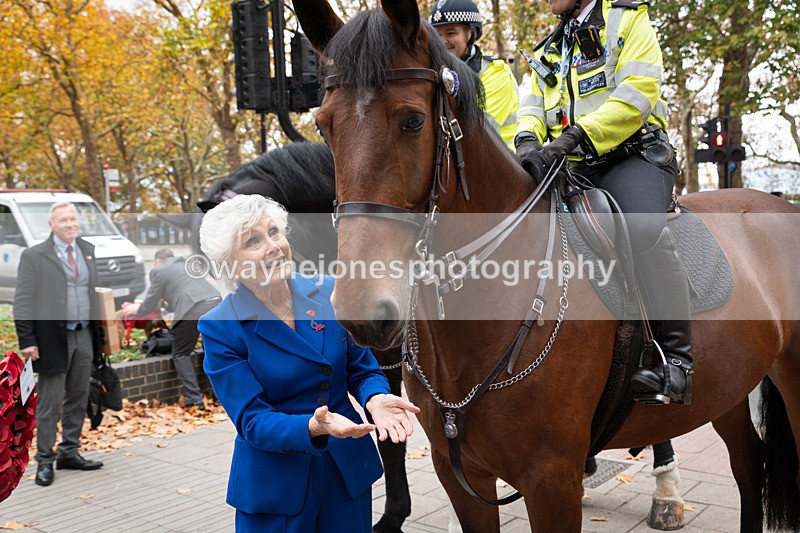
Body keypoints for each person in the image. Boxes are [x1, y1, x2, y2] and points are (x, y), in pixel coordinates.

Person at [197, 194, 420, 532]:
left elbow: (362, 369)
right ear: (229, 265)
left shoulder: (329, 291)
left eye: (274, 232)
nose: (273, 246)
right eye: (253, 241)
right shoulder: (219, 326)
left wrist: (374, 398)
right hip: (277, 487)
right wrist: (313, 427)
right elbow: (252, 421)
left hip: (345, 472)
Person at [515, 0, 692, 404]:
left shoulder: (628, 19)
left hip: (633, 156)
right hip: (572, 164)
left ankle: (678, 364)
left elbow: (636, 95)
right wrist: (527, 139)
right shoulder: (550, 46)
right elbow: (532, 103)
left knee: (644, 227)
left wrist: (574, 136)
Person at [13, 202, 104, 486]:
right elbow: (23, 299)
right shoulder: (35, 255)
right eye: (63, 220)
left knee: (78, 395)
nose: (70, 224)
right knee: (49, 402)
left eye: (73, 219)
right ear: (51, 225)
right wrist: (27, 339)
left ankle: (69, 451)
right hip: (51, 339)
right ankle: (44, 459)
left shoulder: (87, 250)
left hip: (84, 335)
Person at [127, 248, 221, 410]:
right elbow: (183, 292)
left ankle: (195, 399)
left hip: (192, 308)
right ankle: (220, 396)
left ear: (157, 261)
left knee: (181, 353)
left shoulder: (159, 270)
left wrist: (137, 311)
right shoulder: (186, 264)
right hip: (216, 302)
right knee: (211, 350)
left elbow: (150, 300)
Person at [429, 0, 520, 150]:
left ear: (472, 33)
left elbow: (476, 132)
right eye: (437, 35)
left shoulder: (496, 73)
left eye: (451, 33)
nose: (442, 41)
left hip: (501, 165)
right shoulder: (434, 73)